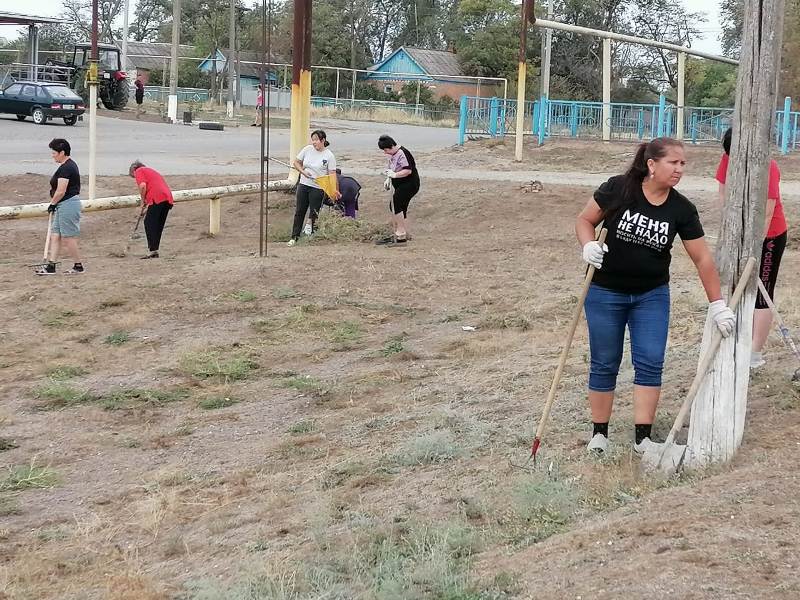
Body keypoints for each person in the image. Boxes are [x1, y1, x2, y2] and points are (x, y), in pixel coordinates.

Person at [575, 137, 736, 455]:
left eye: (683, 164)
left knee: (650, 362)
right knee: (605, 362)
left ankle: (643, 440)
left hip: (651, 296)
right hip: (605, 290)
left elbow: (702, 258)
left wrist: (717, 304)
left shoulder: (681, 209)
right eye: (673, 163)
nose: (679, 169)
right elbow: (584, 220)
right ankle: (600, 436)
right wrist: (588, 245)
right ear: (652, 164)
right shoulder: (619, 188)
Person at [715, 128, 788, 369]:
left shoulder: (769, 168)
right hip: (740, 235)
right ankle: (737, 341)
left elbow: (766, 212)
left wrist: (754, 248)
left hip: (769, 237)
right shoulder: (729, 157)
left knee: (762, 292)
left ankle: (754, 353)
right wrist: (732, 233)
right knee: (737, 286)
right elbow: (724, 194)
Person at [37, 138, 84, 275]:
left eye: (54, 153)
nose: (52, 155)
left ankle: (78, 265)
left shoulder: (67, 168)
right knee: (55, 235)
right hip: (62, 205)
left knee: (68, 237)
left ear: (62, 152)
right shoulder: (66, 166)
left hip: (68, 204)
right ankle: (51, 266)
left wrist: (52, 204)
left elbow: (61, 190)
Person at [288, 130, 340, 246]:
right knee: (300, 211)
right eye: (313, 140)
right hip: (304, 184)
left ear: (323, 140)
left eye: (316, 140)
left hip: (318, 187)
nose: (314, 142)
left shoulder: (329, 156)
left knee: (314, 213)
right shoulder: (307, 150)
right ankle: (294, 236)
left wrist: (334, 190)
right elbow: (296, 162)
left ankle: (311, 234)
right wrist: (303, 172)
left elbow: (332, 175)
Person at [376, 135, 420, 246]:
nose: (385, 152)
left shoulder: (403, 153)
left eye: (386, 150)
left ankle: (401, 233)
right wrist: (389, 178)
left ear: (391, 146)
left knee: (395, 204)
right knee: (401, 206)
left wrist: (395, 175)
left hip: (410, 184)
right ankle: (405, 232)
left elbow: (408, 170)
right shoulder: (393, 154)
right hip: (400, 184)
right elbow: (392, 167)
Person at [129, 160, 174, 259]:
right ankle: (154, 250)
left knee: (149, 223)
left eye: (133, 177)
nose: (135, 179)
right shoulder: (150, 171)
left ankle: (152, 250)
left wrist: (142, 201)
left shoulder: (139, 171)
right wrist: (145, 210)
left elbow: (143, 186)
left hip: (157, 197)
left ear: (133, 170)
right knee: (158, 224)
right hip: (166, 197)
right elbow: (152, 190)